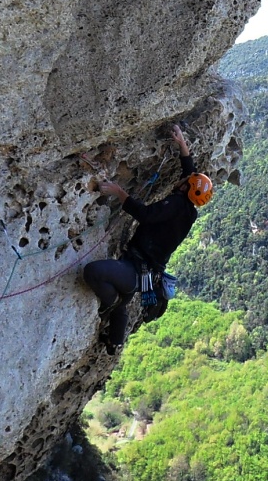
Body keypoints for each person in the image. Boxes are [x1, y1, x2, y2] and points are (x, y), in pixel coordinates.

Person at [83, 124, 213, 353]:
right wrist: (182, 144)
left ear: (185, 189)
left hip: (134, 269)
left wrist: (117, 191)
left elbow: (145, 215)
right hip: (146, 272)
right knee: (122, 304)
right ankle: (115, 343)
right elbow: (189, 174)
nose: (183, 179)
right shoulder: (189, 210)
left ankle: (111, 303)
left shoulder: (175, 205)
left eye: (187, 181)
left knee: (93, 272)